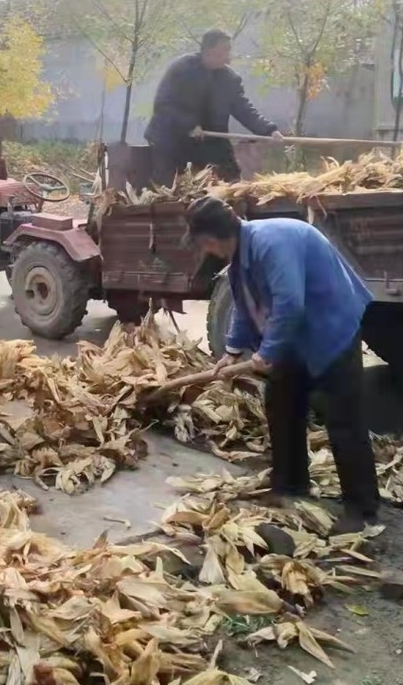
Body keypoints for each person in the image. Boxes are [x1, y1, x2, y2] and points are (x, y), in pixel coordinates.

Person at [184, 195, 380, 533]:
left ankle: (361, 509)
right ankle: (289, 485)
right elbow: (247, 306)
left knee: (343, 419)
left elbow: (289, 303)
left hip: (331, 326)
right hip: (296, 335)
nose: (205, 250)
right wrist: (232, 350)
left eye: (202, 244)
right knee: (282, 405)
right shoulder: (240, 256)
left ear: (210, 239)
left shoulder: (269, 243)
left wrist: (267, 353)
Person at [144, 29, 282, 186]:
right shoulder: (181, 69)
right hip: (173, 139)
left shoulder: (229, 78)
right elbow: (164, 106)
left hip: (211, 139)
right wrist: (189, 125)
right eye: (225, 50)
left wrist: (268, 130)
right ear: (210, 50)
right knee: (176, 187)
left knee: (231, 179)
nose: (229, 56)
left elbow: (243, 108)